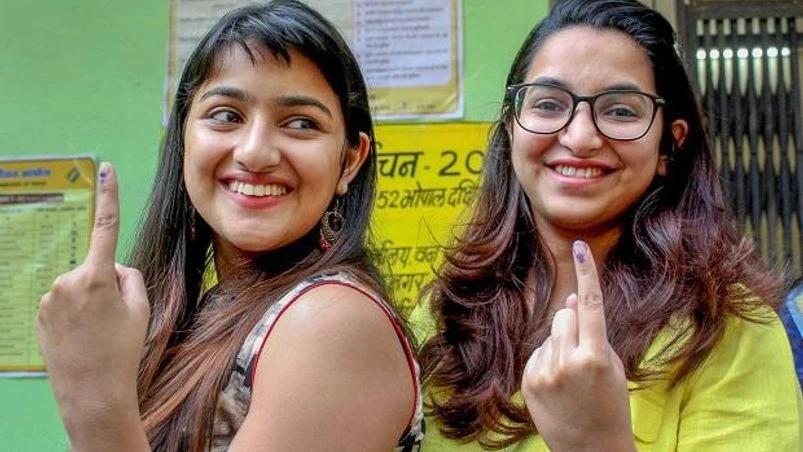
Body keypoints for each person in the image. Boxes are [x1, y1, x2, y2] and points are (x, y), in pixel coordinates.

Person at [411, 0, 802, 450]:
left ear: (667, 147)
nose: (579, 137)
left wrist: (597, 441)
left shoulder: (728, 328)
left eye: (620, 111)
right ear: (510, 128)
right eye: (549, 104)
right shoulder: (449, 315)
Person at [35, 1, 423, 451]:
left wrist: (95, 398)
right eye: (226, 115)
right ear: (184, 136)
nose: (255, 152)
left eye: (300, 123)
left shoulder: (332, 323)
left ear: (350, 160)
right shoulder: (210, 311)